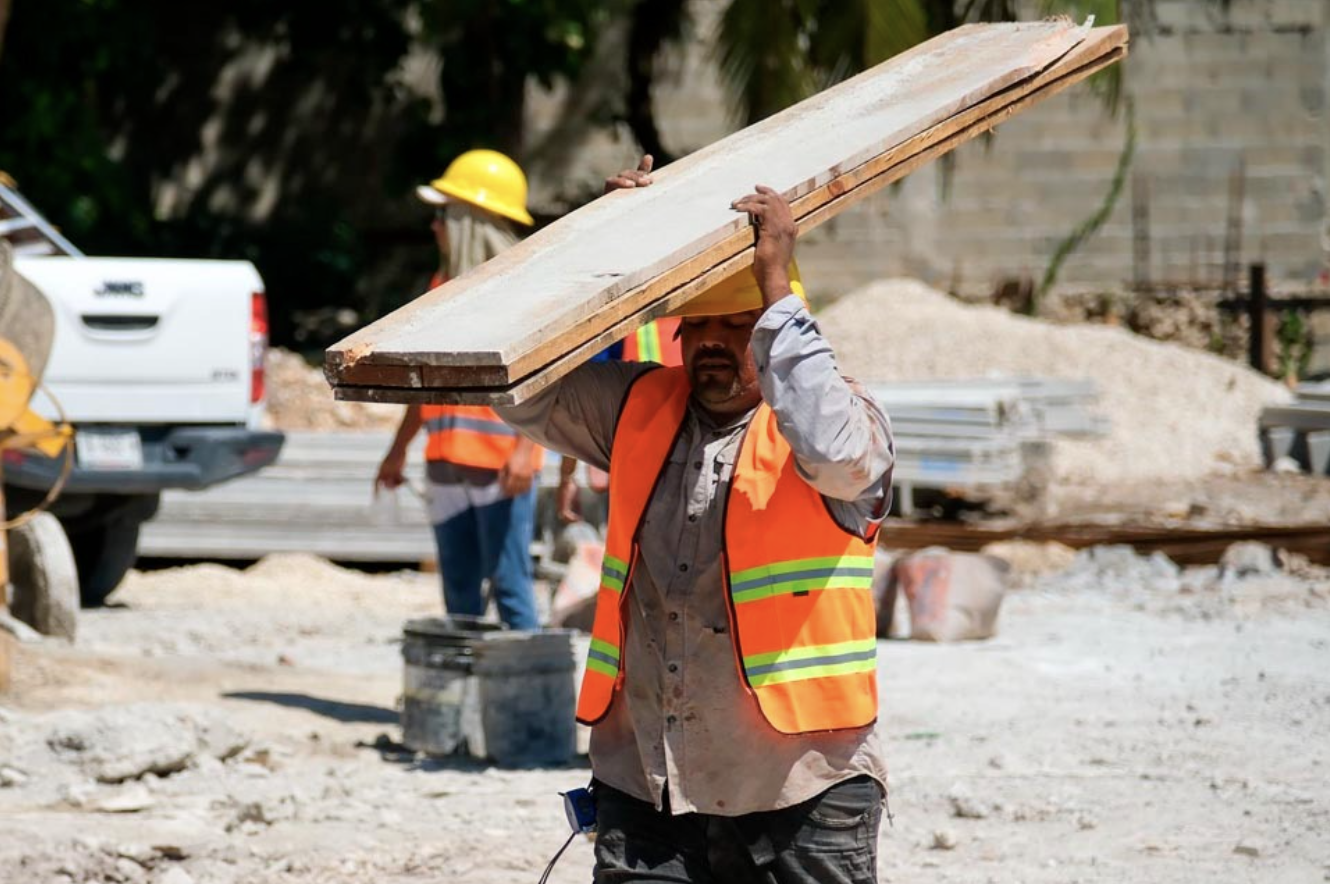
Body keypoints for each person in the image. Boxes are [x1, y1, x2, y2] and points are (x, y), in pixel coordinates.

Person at [497, 156, 895, 883]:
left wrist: (776, 287)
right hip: (652, 776)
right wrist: (596, 248)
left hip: (796, 783)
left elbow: (834, 451)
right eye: (699, 323)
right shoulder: (638, 408)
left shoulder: (839, 421)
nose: (713, 339)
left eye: (738, 323)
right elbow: (519, 389)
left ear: (778, 330)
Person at [376, 149, 542, 631]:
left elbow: (543, 375)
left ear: (468, 220)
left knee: (511, 589)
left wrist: (525, 451)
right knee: (460, 598)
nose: (434, 226)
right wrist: (398, 451)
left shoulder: (518, 291)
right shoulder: (439, 289)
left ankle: (524, 702)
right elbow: (423, 388)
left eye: (442, 215)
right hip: (447, 467)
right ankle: (468, 701)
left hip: (499, 468)